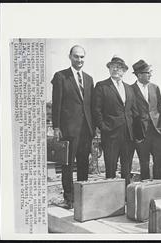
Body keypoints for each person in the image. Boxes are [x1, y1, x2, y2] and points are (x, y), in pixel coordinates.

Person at [51, 45, 94, 209]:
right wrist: (56, 127)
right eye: (76, 56)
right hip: (68, 129)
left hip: (86, 130)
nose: (79, 60)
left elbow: (90, 106)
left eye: (82, 57)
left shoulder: (89, 79)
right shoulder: (61, 76)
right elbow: (57, 104)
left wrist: (93, 128)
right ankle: (69, 199)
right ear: (70, 56)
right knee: (68, 165)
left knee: (84, 164)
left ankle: (82, 198)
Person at [93, 56, 138, 186]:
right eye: (112, 66)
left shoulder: (129, 88)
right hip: (111, 134)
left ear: (124, 71)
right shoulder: (102, 86)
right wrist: (103, 127)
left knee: (126, 169)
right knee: (111, 169)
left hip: (128, 136)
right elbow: (97, 110)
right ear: (109, 69)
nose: (115, 69)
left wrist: (136, 131)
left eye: (119, 67)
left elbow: (133, 112)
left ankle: (125, 197)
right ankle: (112, 200)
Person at [131, 59, 161, 180]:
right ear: (139, 74)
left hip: (157, 132)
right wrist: (136, 134)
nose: (150, 75)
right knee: (144, 163)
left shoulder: (155, 88)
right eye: (148, 72)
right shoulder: (130, 89)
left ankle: (159, 187)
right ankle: (145, 190)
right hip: (141, 134)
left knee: (160, 161)